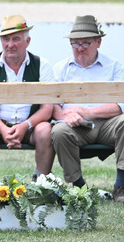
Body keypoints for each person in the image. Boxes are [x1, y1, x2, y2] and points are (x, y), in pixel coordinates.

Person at [0, 15, 54, 184]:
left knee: (46, 131)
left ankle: (41, 185)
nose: (10, 44)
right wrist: (2, 129)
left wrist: (25, 126)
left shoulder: (42, 65)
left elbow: (47, 108)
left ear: (28, 41)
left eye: (16, 39)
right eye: (6, 39)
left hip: (31, 126)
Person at [50, 15, 124, 202]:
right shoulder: (60, 68)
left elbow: (121, 105)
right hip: (75, 125)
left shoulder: (115, 66)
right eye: (75, 44)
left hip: (109, 123)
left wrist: (88, 112)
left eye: (85, 43)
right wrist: (66, 118)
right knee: (59, 131)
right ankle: (78, 187)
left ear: (98, 42)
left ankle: (121, 186)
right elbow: (52, 103)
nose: (80, 48)